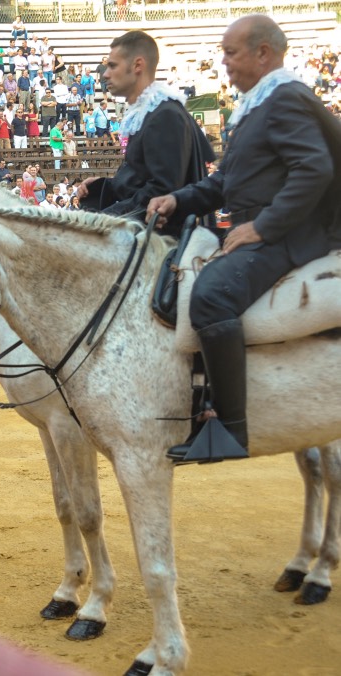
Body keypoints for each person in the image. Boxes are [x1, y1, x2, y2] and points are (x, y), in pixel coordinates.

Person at [147, 15, 341, 465]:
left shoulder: (284, 98)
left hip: (288, 236)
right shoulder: (259, 104)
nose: (224, 62)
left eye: (231, 53)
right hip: (263, 229)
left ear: (263, 54)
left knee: (211, 296)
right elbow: (224, 183)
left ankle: (231, 429)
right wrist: (177, 199)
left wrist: (264, 227)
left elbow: (314, 168)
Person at [77, 30, 213, 236]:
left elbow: (162, 192)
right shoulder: (150, 111)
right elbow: (142, 181)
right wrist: (103, 186)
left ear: (137, 65)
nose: (105, 74)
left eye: (112, 66)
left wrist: (104, 219)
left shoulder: (165, 115)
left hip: (162, 242)